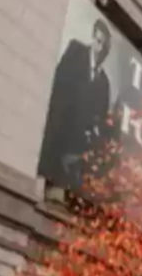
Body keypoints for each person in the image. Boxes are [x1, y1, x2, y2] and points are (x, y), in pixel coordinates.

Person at [36, 18, 114, 192]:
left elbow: (102, 119)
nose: (100, 49)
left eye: (105, 46)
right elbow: (58, 87)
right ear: (93, 39)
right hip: (58, 134)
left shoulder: (104, 82)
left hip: (78, 149)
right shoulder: (76, 51)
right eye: (98, 42)